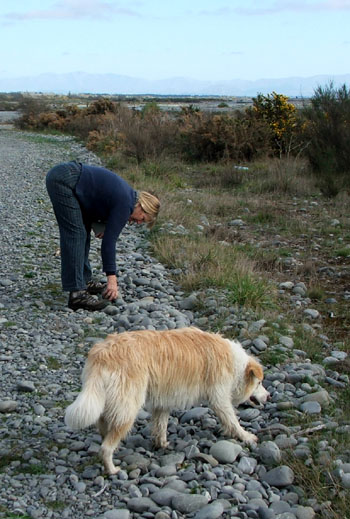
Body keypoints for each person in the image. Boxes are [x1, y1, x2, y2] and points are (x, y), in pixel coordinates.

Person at [46, 160, 160, 311]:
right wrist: (112, 280)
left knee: (82, 232)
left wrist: (102, 226)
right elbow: (108, 243)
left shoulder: (127, 198)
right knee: (75, 234)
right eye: (143, 219)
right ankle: (77, 294)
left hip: (68, 177)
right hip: (64, 180)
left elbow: (98, 200)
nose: (138, 222)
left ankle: (84, 281)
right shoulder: (126, 204)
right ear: (142, 207)